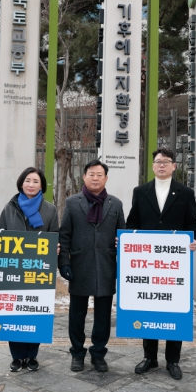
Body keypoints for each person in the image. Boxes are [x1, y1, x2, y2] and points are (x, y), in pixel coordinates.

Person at [127, 148, 196, 380]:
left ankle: (173, 360)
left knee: (174, 308)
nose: (161, 165)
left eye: (166, 161)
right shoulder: (140, 191)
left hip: (174, 264)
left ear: (174, 166)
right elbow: (132, 223)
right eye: (158, 161)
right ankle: (149, 357)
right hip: (148, 264)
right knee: (149, 305)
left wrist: (193, 239)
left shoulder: (185, 193)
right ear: (152, 165)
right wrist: (127, 240)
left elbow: (193, 224)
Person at [59, 160, 125, 373]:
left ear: (106, 178)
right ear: (84, 177)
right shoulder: (72, 202)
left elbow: (123, 236)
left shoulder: (116, 204)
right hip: (80, 264)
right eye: (91, 174)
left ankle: (98, 353)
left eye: (99, 175)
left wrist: (122, 259)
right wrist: (64, 262)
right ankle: (77, 353)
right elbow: (65, 234)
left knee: (103, 315)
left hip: (106, 265)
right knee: (77, 314)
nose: (95, 178)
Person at [0, 167, 59, 372]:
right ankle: (16, 356)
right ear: (21, 183)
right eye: (28, 181)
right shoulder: (10, 208)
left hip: (38, 270)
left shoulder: (50, 210)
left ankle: (32, 355)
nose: (31, 185)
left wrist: (56, 247)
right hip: (13, 269)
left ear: (42, 186)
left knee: (35, 311)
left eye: (36, 181)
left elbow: (54, 235)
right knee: (14, 311)